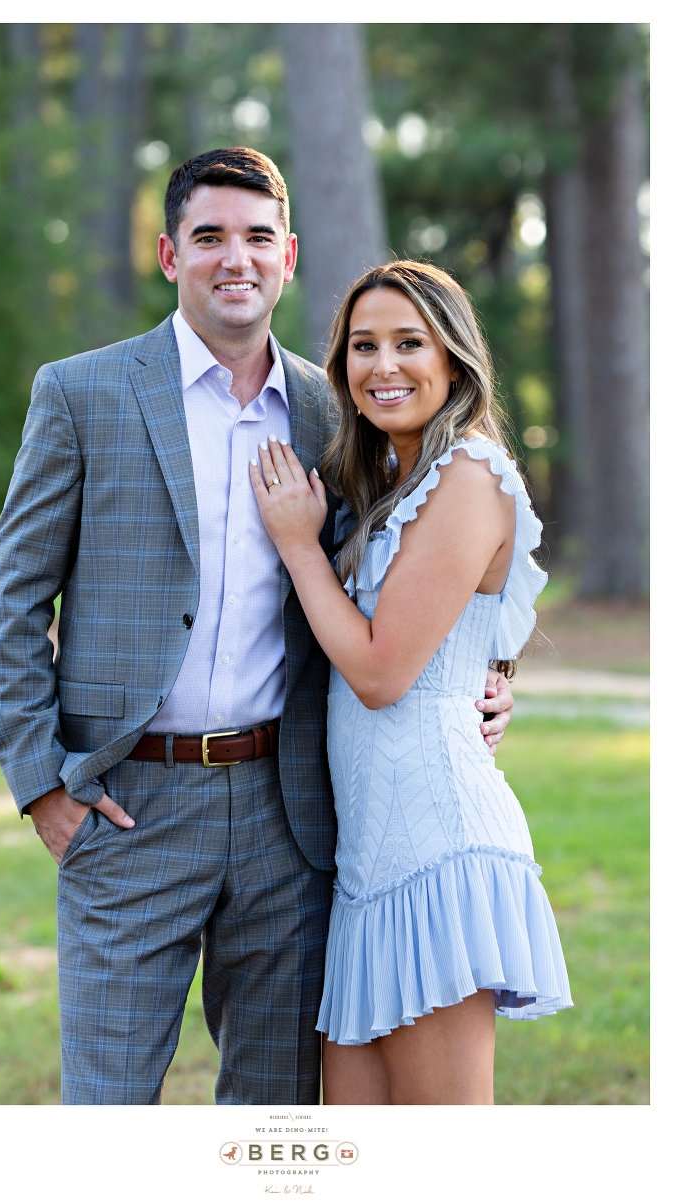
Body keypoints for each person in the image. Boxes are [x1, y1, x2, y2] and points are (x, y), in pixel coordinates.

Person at [0, 149, 514, 1107]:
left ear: (290, 256)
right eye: (210, 237)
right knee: (105, 1111)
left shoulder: (334, 408)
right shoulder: (82, 393)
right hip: (128, 805)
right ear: (168, 253)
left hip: (288, 812)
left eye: (258, 237)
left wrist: (490, 670)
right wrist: (42, 789)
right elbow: (16, 602)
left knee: (271, 1123)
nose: (237, 258)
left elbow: (421, 567)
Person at [250, 260, 572, 1105]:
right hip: (369, 861)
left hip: (437, 848)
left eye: (408, 343)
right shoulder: (392, 481)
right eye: (363, 346)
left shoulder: (467, 474)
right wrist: (495, 682)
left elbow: (382, 671)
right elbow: (466, 641)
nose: (383, 366)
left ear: (455, 360)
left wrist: (295, 542)